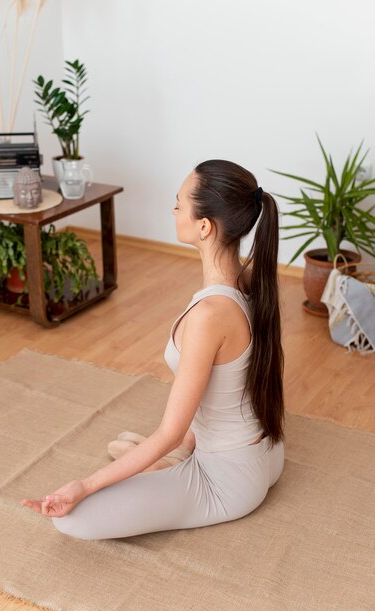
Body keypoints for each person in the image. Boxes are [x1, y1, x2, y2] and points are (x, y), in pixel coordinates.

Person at [21, 159, 286, 540]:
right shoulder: (252, 280)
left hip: (227, 481)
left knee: (71, 518)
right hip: (267, 453)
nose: (173, 210)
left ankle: (168, 467)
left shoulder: (210, 314)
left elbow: (170, 433)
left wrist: (84, 485)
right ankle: (166, 465)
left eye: (179, 204)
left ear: (204, 226)